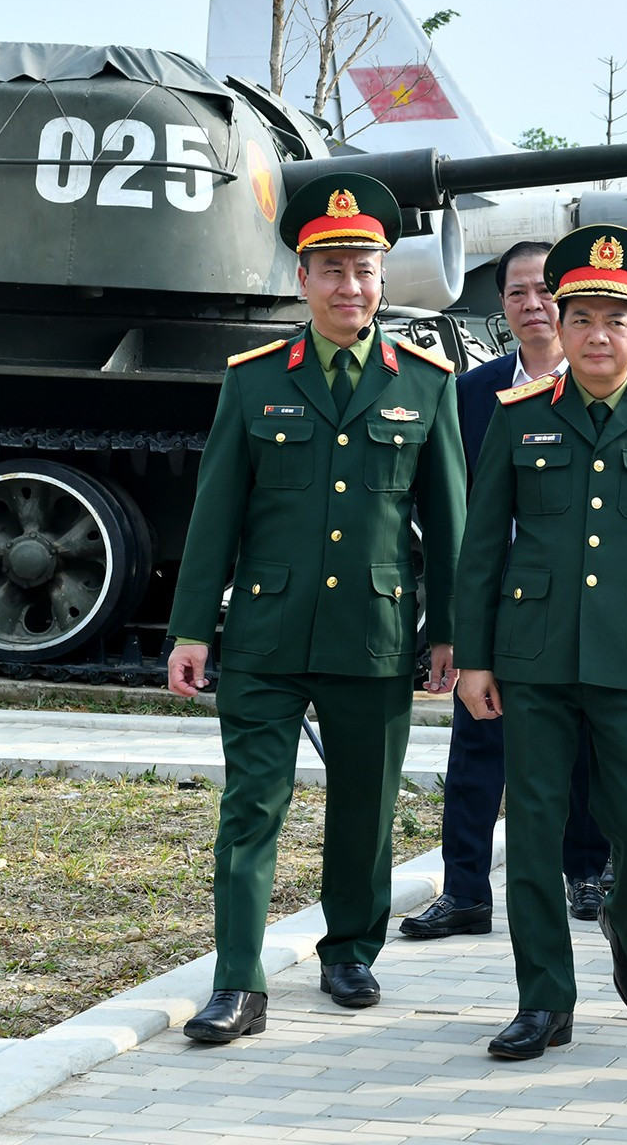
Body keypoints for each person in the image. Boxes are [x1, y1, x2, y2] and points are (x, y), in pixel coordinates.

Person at [165, 174, 465, 1043]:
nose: (349, 287)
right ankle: (236, 982)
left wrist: (447, 630)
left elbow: (450, 525)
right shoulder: (255, 381)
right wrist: (192, 628)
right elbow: (216, 511)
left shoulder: (427, 383)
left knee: (364, 805)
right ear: (302, 278)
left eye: (363, 269)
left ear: (384, 277)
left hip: (372, 634)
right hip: (263, 631)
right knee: (250, 808)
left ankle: (350, 951)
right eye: (330, 269)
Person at [455, 224, 627, 1060]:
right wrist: (473, 656)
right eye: (582, 319)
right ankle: (544, 1000)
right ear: (558, 328)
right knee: (532, 829)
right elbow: (481, 543)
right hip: (533, 655)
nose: (598, 336)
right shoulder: (518, 415)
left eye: (617, 321)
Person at [402, 241, 611, 941]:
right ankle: (465, 891)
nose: (534, 305)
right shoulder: (469, 393)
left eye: (546, 291)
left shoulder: (622, 380)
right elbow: (449, 515)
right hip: (495, 606)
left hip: (581, 606)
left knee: (583, 750)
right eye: (518, 293)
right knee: (477, 749)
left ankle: (586, 874)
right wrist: (450, 625)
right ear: (503, 306)